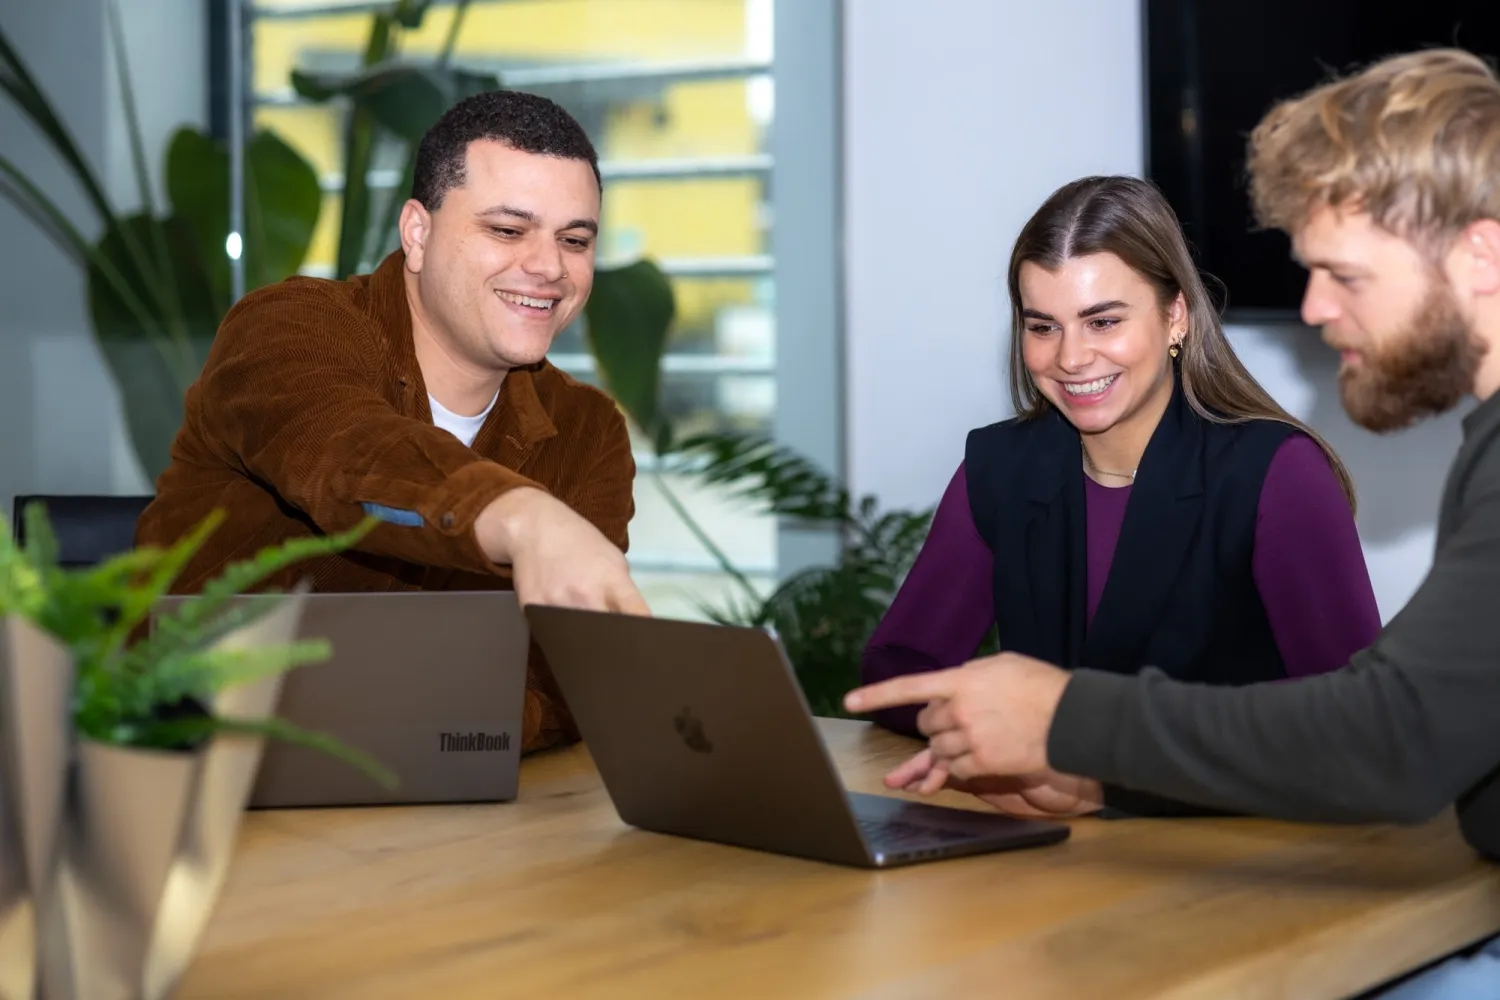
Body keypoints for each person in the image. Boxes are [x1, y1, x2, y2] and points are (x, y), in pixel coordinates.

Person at [845, 47, 1500, 996]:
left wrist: (1070, 729)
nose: (1313, 308)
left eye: (1343, 274)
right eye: (1042, 325)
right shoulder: (1487, 449)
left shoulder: (1279, 472)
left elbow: (1380, 735)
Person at [136, 89, 649, 754]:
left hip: (453, 813)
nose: (549, 267)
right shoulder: (286, 329)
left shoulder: (587, 432)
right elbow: (349, 457)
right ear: (418, 232)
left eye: (574, 240)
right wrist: (522, 517)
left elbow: (572, 680)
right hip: (193, 782)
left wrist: (429, 724)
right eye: (507, 230)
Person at [859, 174, 1381, 817]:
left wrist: (1080, 763)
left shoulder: (1278, 474)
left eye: (1102, 321)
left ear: (1176, 317)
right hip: (1048, 858)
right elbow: (900, 665)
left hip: (1233, 858)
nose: (1072, 358)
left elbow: (1354, 727)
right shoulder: (999, 468)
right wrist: (976, 726)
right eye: (1042, 326)